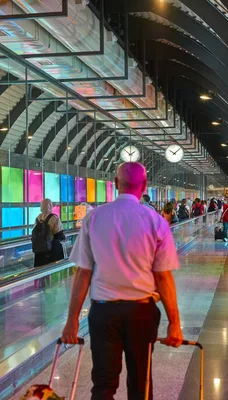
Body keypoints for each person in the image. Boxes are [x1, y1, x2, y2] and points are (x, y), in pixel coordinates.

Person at [62, 162, 183, 400]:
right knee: (141, 383)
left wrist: (72, 321)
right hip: (142, 312)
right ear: (144, 185)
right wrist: (174, 322)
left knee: (104, 384)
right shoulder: (156, 221)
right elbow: (162, 277)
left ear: (116, 184)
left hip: (103, 313)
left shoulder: (94, 218)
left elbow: (83, 273)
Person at [32, 199, 65, 267]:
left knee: (40, 270)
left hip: (39, 251)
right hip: (51, 250)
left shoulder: (38, 218)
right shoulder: (54, 217)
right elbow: (58, 234)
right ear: (50, 206)